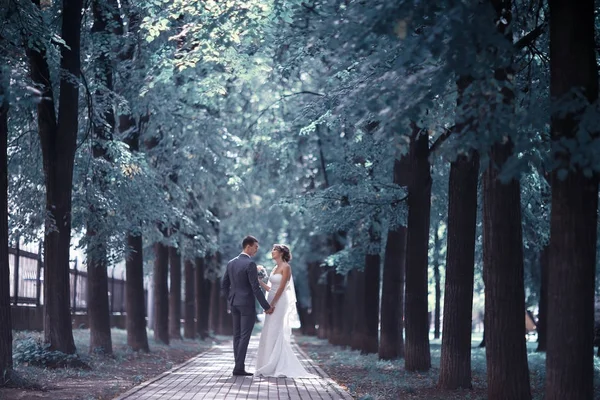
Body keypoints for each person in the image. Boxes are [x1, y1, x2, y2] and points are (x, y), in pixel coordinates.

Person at [254, 244, 315, 378]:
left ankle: (277, 364)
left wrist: (273, 304)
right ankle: (267, 363)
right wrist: (259, 282)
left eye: (274, 250)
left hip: (280, 302)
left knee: (276, 330)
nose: (272, 251)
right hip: (271, 300)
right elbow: (271, 289)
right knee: (268, 330)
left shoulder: (286, 267)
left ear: (281, 253)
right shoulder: (275, 267)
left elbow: (282, 288)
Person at [221, 235, 274, 376]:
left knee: (237, 335)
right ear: (248, 246)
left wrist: (230, 298)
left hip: (234, 303)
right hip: (246, 305)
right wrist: (266, 306)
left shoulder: (231, 263)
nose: (256, 250)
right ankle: (238, 368)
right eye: (256, 247)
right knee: (244, 336)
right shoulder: (250, 264)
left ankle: (238, 366)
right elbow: (255, 287)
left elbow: (224, 285)